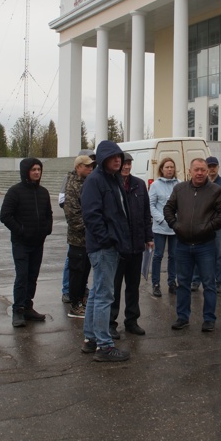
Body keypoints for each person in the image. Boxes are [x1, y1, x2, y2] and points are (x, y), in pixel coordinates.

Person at [164, 158, 221, 332]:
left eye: (203, 170)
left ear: (207, 171)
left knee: (209, 283)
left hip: (206, 245)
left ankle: (209, 319)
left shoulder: (216, 190)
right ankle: (182, 317)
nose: (200, 173)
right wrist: (175, 225)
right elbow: (168, 209)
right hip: (183, 245)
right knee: (183, 283)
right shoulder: (179, 189)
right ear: (190, 170)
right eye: (196, 170)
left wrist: (209, 227)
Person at [80, 140, 131, 362]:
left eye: (119, 156)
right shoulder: (95, 180)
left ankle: (91, 339)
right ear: (102, 159)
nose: (118, 160)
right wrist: (107, 240)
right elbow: (91, 216)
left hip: (110, 245)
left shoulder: (113, 179)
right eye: (113, 157)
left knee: (96, 293)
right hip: (103, 247)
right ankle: (104, 345)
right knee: (104, 295)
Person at [0, 158, 53, 328]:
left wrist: (46, 229)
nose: (37, 172)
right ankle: (18, 310)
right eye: (33, 169)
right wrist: (21, 231)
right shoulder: (15, 192)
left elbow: (48, 214)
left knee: (33, 276)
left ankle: (28, 306)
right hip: (21, 243)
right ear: (26, 172)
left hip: (38, 242)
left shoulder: (43, 192)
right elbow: (5, 215)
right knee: (22, 276)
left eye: (39, 169)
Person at [110, 153, 153, 338]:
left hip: (136, 245)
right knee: (114, 286)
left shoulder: (139, 184)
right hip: (118, 246)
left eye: (129, 164)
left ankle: (132, 321)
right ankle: (110, 323)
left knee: (133, 286)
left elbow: (145, 213)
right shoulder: (111, 184)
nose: (126, 167)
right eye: (124, 164)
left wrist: (148, 237)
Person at [191, 156, 221, 294]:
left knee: (219, 255)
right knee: (198, 254)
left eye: (214, 166)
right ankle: (195, 281)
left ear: (218, 167)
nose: (212, 169)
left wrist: (219, 220)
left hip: (218, 228)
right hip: (201, 227)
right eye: (209, 166)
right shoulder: (199, 184)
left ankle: (219, 282)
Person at [63, 154, 95, 319]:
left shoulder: (87, 183)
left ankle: (81, 300)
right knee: (76, 272)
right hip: (77, 239)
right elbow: (73, 215)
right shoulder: (73, 185)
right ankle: (75, 305)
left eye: (91, 166)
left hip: (88, 239)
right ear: (78, 167)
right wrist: (92, 225)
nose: (90, 169)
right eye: (87, 166)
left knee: (84, 272)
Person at [149, 157, 179, 297]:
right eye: (167, 167)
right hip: (160, 227)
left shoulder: (179, 185)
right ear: (161, 169)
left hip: (175, 227)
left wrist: (178, 220)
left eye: (172, 167)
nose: (169, 169)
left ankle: (172, 282)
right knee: (158, 255)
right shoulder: (155, 185)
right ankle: (155, 284)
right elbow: (151, 205)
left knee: (173, 256)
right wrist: (161, 219)